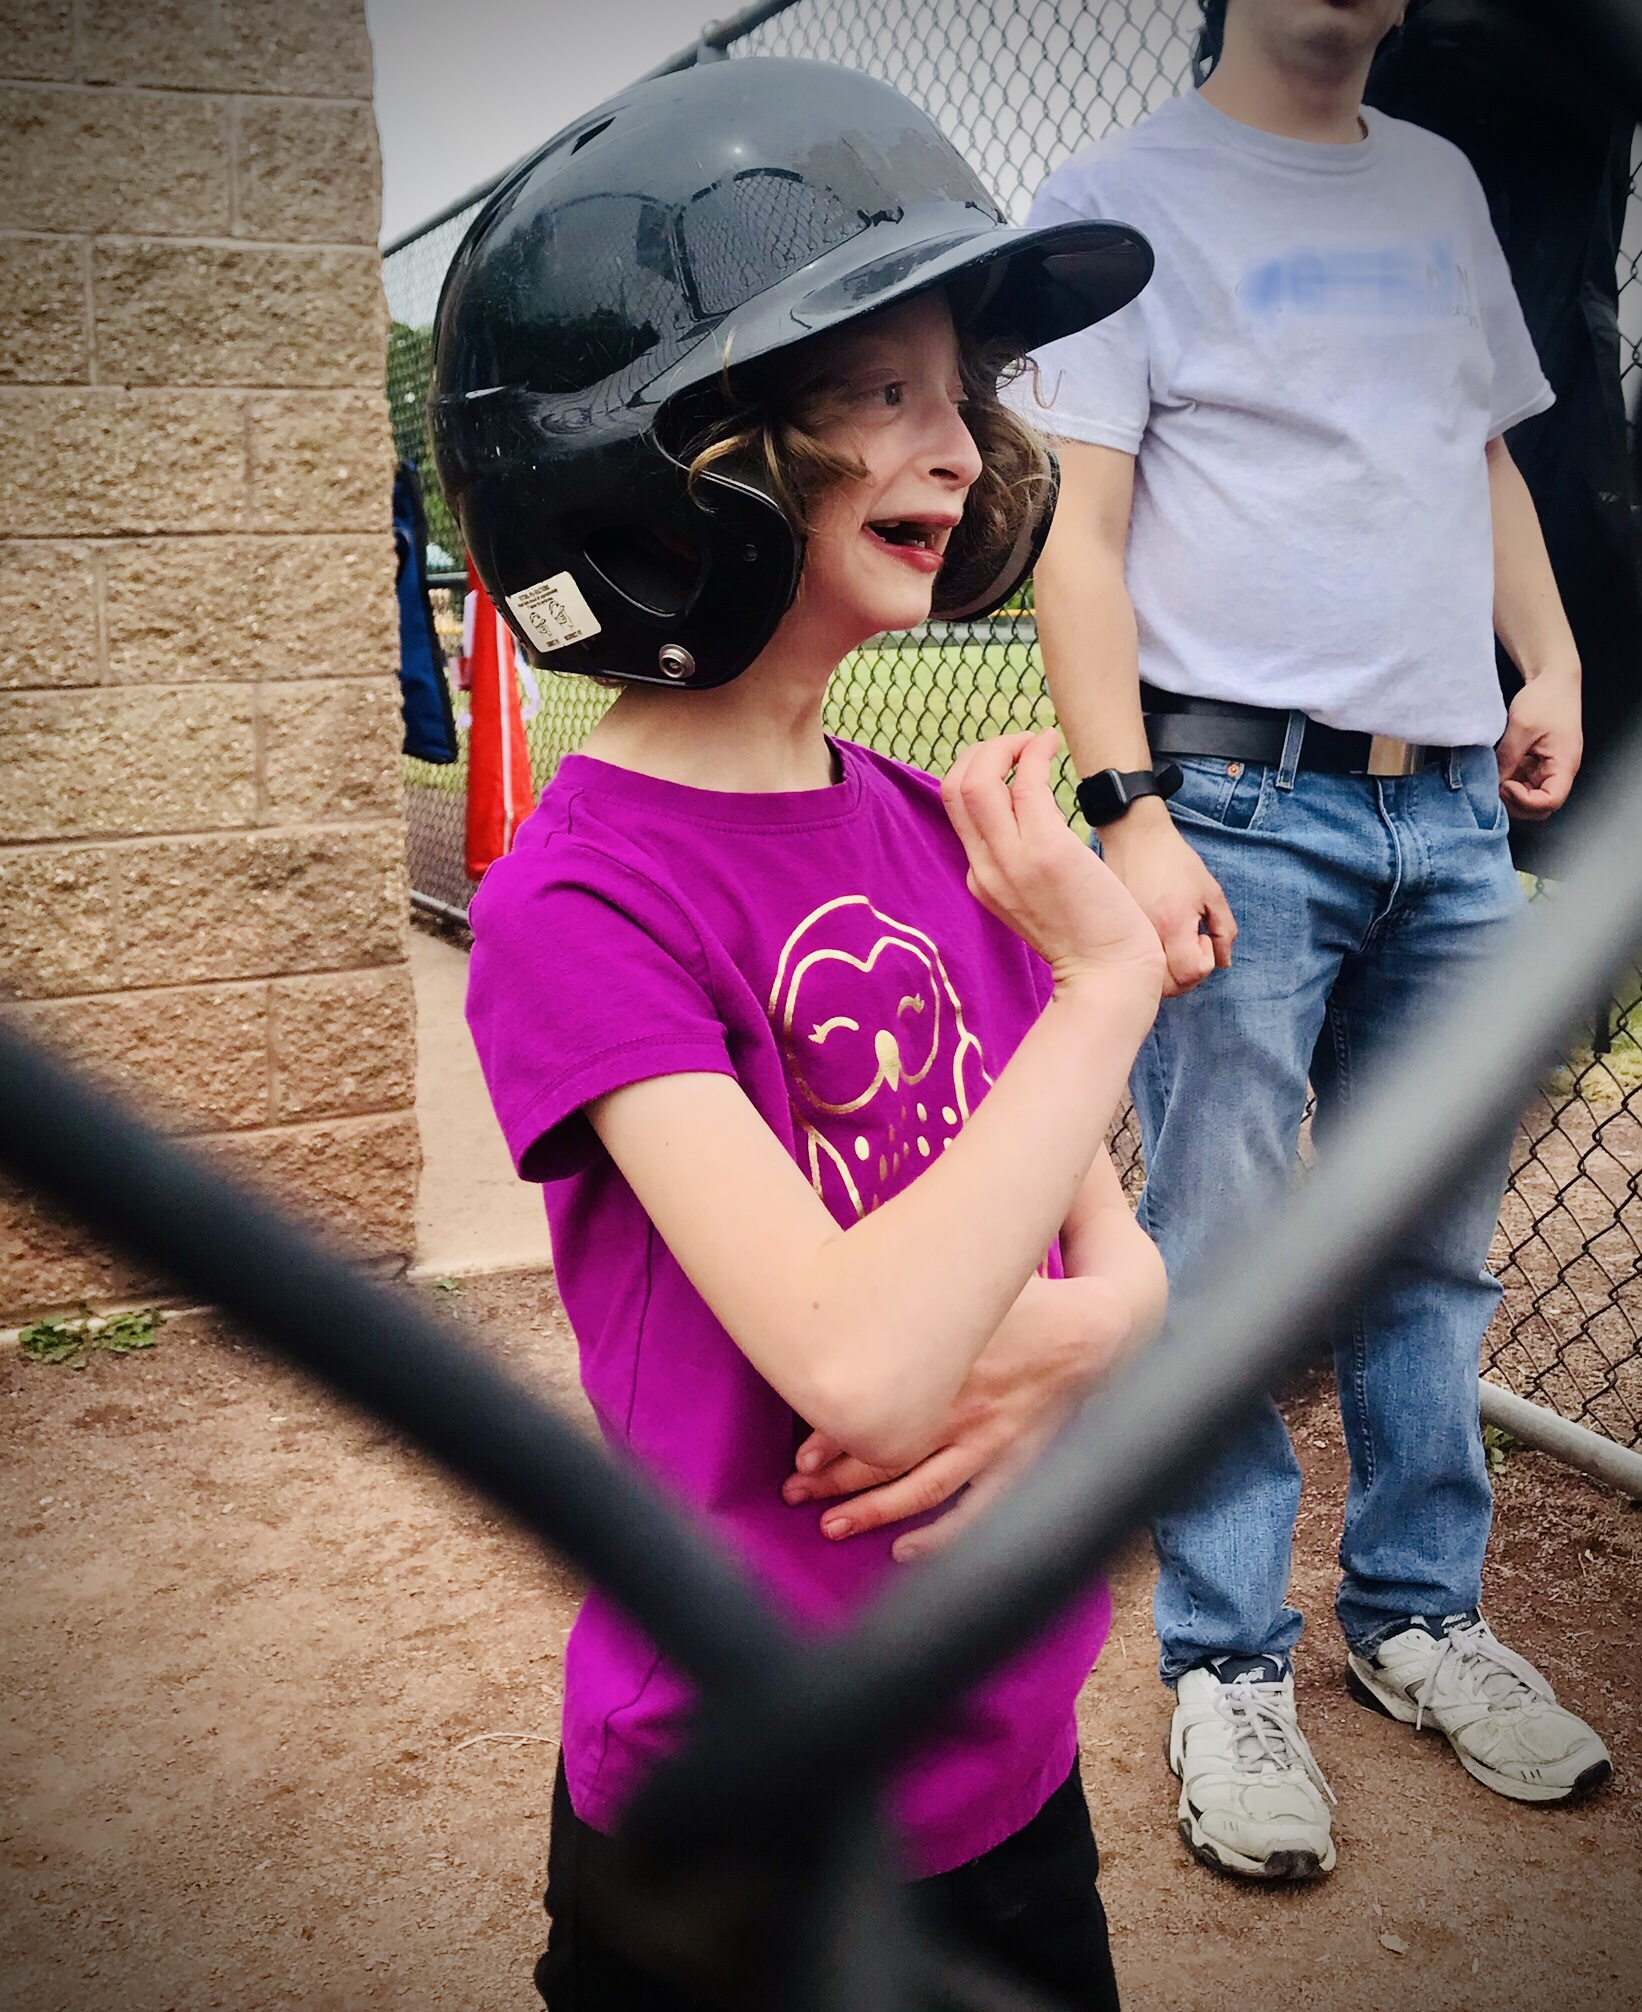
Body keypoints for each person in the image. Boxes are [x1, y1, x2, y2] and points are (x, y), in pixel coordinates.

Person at [437, 57, 1166, 2009]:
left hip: (1008, 1759)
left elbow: (1115, 1254)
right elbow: (852, 1362)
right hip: (747, 1812)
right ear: (673, 456)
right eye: (880, 391)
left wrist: (1102, 1323)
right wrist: (1096, 986)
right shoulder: (582, 901)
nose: (957, 449)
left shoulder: (930, 825)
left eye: (963, 396)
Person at [1008, 0, 1613, 1882]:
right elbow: (1074, 531)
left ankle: (1417, 1619)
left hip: (1444, 808)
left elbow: (1484, 460)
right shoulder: (1116, 198)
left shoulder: (1433, 185)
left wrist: (1555, 654)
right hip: (1236, 812)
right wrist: (1133, 813)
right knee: (1226, 1255)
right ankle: (1225, 1660)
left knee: (1433, 1249)